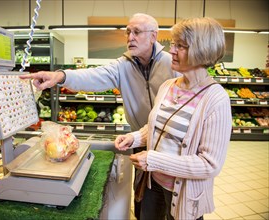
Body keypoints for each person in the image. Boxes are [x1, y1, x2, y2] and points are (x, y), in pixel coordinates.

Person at [20, 13, 179, 219]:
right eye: (128, 32)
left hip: (172, 148)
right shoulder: (124, 65)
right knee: (146, 205)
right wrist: (60, 76)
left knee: (174, 207)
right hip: (142, 144)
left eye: (137, 32)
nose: (130, 37)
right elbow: (94, 75)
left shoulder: (171, 64)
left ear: (153, 36)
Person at [114, 17, 232, 220]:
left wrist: (154, 160)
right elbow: (159, 127)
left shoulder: (215, 99)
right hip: (153, 184)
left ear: (202, 51)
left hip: (183, 192)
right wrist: (134, 137)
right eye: (173, 44)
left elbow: (210, 164)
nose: (172, 51)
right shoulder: (169, 85)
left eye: (181, 46)